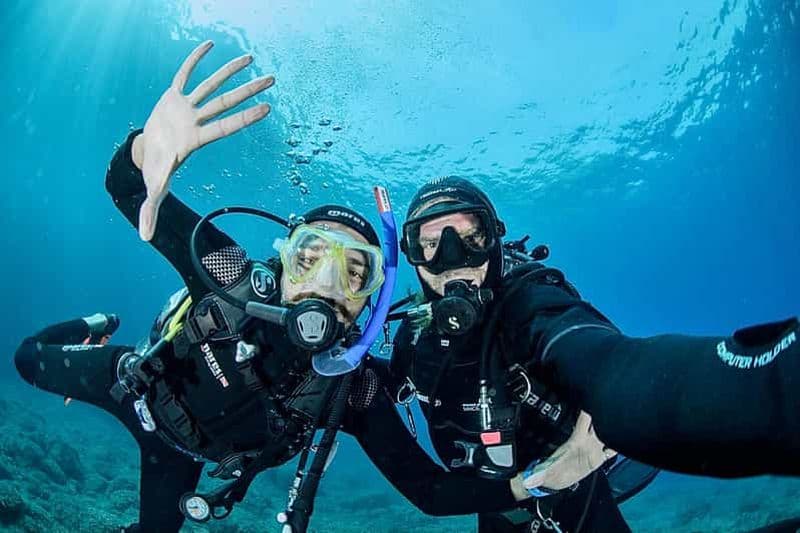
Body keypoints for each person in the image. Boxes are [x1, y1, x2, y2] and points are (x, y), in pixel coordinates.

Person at [387, 175, 800, 531]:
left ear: (494, 241)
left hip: (576, 497)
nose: (451, 259)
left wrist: (776, 383)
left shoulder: (532, 306)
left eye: (470, 236)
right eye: (428, 243)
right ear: (412, 258)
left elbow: (612, 365)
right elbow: (373, 400)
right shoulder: (413, 340)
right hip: (493, 502)